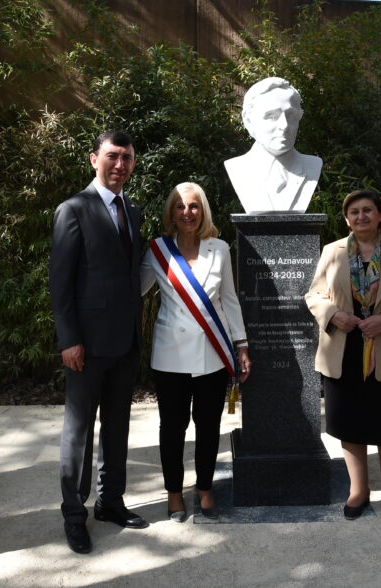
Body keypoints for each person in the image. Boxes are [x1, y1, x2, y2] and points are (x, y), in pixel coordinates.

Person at [304, 189, 381, 526]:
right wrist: (332, 313)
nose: (361, 217)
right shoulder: (332, 252)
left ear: (380, 214)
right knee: (350, 426)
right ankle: (358, 490)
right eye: (354, 212)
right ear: (347, 219)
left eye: (367, 210)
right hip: (344, 348)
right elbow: (314, 294)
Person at [49, 129, 147, 555]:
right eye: (112, 156)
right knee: (79, 433)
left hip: (125, 342)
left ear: (133, 163)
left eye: (126, 157)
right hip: (85, 347)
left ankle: (111, 502)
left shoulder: (135, 210)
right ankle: (75, 514)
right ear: (94, 159)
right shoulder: (73, 209)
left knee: (118, 427)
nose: (119, 165)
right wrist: (69, 340)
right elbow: (60, 282)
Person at [140, 182, 252, 522]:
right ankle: (174, 492)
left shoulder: (218, 248)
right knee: (172, 427)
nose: (187, 213)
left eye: (193, 206)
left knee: (208, 425)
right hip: (170, 354)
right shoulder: (157, 250)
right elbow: (133, 290)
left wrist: (241, 345)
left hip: (212, 354)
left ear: (202, 211)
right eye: (180, 206)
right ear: (171, 212)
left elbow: (229, 300)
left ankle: (204, 488)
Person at [224, 77, 322, 213]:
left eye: (291, 115)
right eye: (271, 116)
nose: (284, 126)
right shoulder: (237, 168)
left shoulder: (313, 165)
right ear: (248, 120)